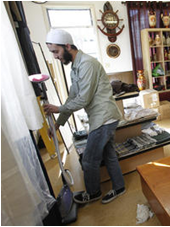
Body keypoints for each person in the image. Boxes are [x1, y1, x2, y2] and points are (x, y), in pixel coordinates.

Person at [43, 29, 125, 204]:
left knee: (89, 160)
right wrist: (58, 124)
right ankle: (119, 187)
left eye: (56, 52)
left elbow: (83, 99)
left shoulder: (87, 64)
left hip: (104, 118)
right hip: (102, 118)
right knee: (109, 154)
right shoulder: (75, 68)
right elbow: (72, 98)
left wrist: (58, 109)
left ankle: (93, 193)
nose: (55, 57)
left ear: (67, 46)